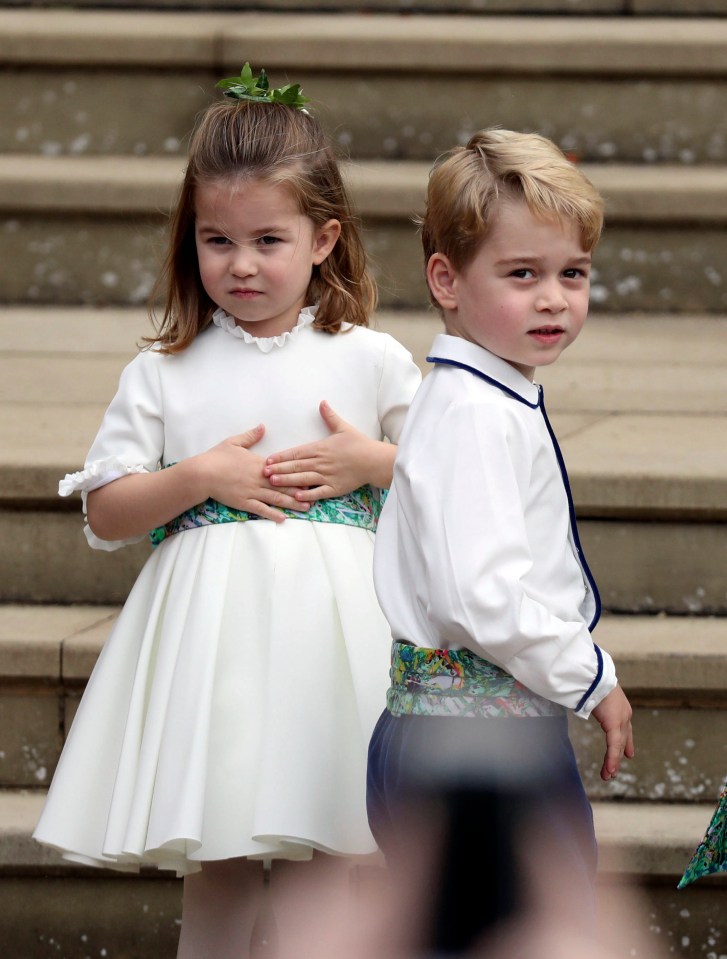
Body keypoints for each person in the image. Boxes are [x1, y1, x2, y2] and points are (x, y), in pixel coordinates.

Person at [33, 65, 422, 958]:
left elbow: (451, 476)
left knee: (332, 850)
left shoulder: (368, 358)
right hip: (214, 655)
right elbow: (108, 510)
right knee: (223, 860)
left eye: (267, 240)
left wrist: (372, 460)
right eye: (217, 240)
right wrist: (199, 475)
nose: (240, 264)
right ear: (190, 238)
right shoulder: (165, 370)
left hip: (335, 644)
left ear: (324, 238)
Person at [366, 128, 635, 955]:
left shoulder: (481, 395)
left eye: (571, 274)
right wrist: (589, 676)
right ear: (445, 279)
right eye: (522, 275)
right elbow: (481, 593)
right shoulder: (478, 413)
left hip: (455, 728)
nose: (553, 298)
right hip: (480, 742)